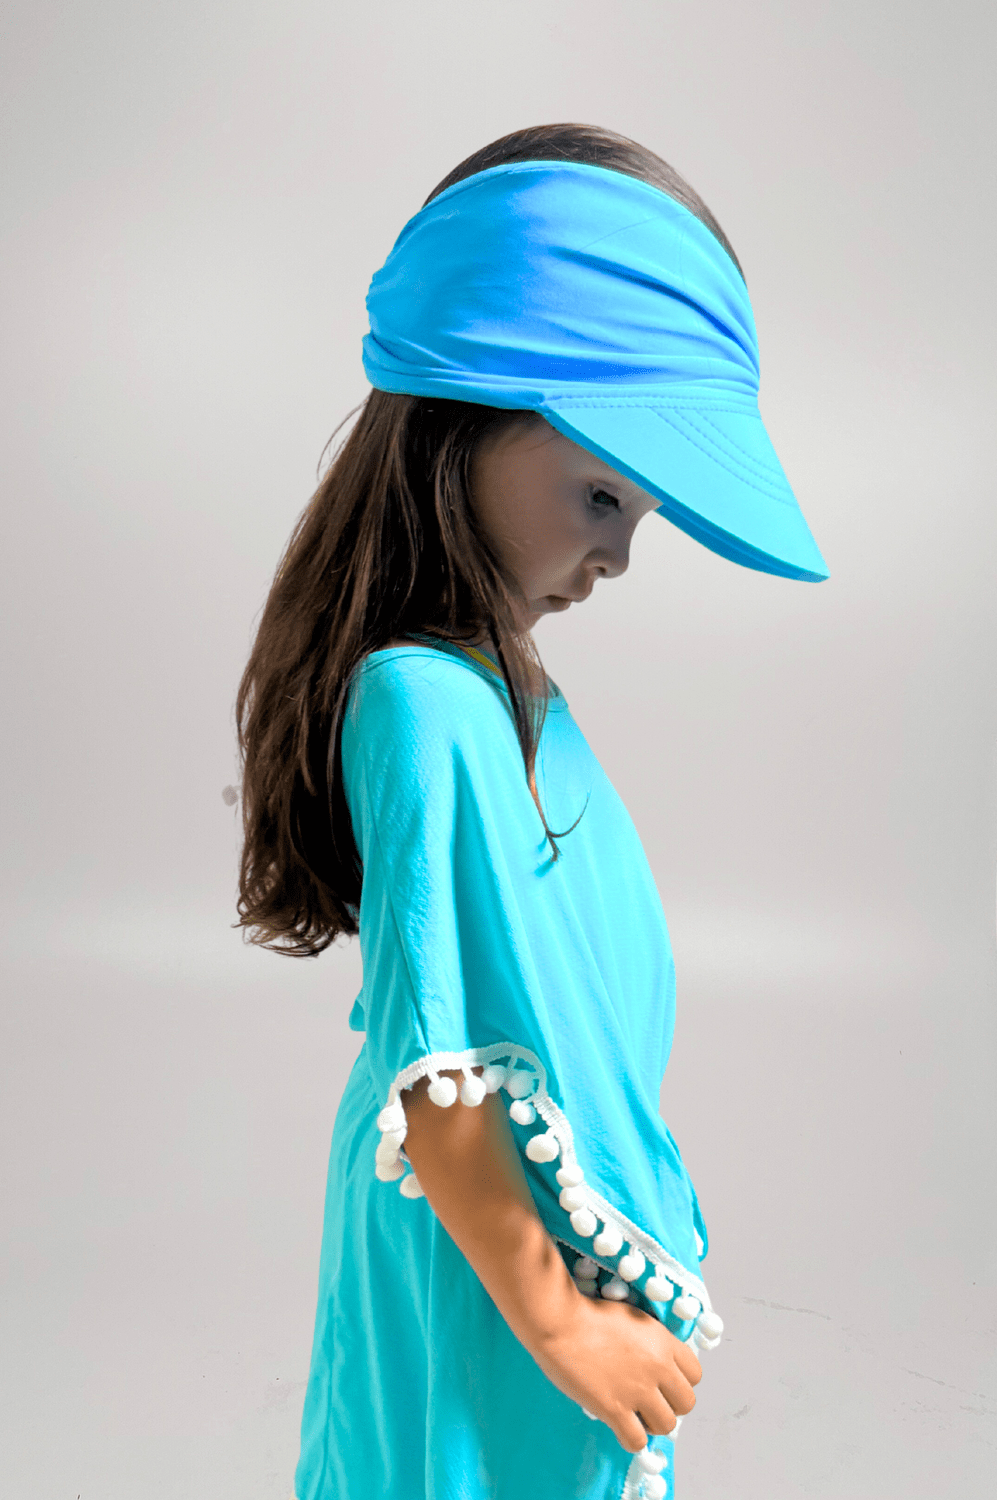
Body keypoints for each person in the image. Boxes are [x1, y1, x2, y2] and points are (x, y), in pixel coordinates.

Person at [234, 123, 828, 1500]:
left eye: (640, 515)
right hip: (483, 1257)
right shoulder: (424, 708)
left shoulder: (504, 696)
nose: (618, 554)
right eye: (601, 495)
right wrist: (559, 1321)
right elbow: (436, 1073)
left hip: (515, 1235)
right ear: (467, 420)